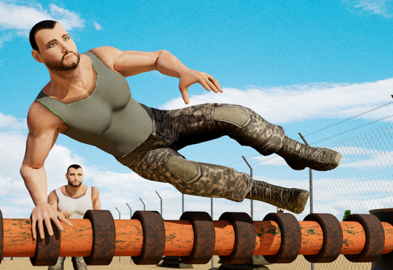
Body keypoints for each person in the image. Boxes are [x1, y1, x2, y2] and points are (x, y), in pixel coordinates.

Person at [21, 20, 342, 241]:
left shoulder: (101, 59)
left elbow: (158, 57)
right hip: (142, 155)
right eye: (52, 44)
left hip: (162, 121)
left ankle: (296, 152)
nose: (65, 47)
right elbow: (33, 165)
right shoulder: (45, 111)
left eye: (66, 37)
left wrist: (183, 71)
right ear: (38, 57)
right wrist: (41, 203)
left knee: (233, 115)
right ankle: (270, 193)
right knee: (184, 171)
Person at [45, 164, 99, 270]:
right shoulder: (55, 194)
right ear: (66, 176)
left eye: (79, 174)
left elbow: (99, 216)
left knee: (81, 269)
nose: (76, 178)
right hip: (61, 236)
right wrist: (58, 213)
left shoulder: (93, 192)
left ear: (83, 176)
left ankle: (76, 259)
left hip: (82, 238)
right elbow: (50, 213)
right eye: (72, 174)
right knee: (55, 264)